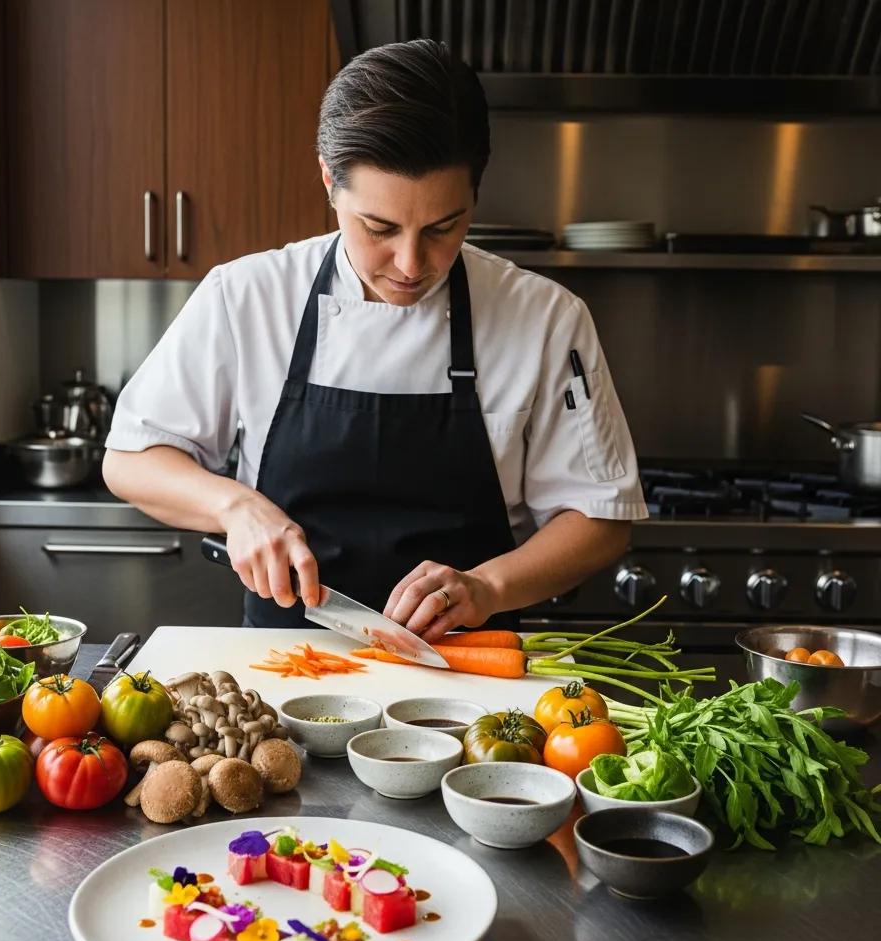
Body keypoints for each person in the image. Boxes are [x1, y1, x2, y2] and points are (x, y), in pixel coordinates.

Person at [103, 39, 647, 643]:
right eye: (379, 228)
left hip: (470, 680)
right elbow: (131, 459)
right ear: (329, 181)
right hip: (282, 668)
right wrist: (235, 507)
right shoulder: (247, 296)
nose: (412, 264)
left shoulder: (543, 316)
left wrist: (489, 587)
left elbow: (601, 519)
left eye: (445, 227)